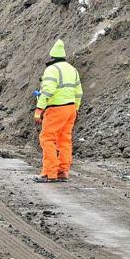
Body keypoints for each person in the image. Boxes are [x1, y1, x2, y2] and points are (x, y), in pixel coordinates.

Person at [32, 39, 83, 182]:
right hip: (71, 108)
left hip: (56, 110)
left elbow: (47, 91)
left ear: (52, 57)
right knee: (64, 140)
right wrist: (76, 109)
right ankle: (62, 172)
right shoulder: (73, 70)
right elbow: (79, 92)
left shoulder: (51, 70)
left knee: (47, 139)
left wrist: (39, 109)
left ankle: (50, 173)